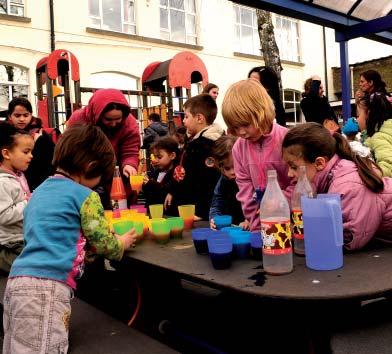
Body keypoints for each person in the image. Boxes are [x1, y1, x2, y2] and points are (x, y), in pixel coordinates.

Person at [3, 124, 137, 354]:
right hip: (48, 287)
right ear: (91, 167)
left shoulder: (39, 191)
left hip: (17, 281)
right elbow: (104, 242)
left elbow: (54, 232)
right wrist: (121, 243)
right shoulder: (86, 196)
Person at [282, 122, 392, 250]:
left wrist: (299, 231)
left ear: (319, 163)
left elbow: (348, 237)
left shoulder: (348, 186)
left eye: (294, 167)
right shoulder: (331, 178)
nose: (289, 174)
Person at [221, 79, 294, 231]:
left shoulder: (287, 140)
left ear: (262, 113)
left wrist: (278, 204)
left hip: (293, 221)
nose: (241, 132)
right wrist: (256, 227)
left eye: (246, 124)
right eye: (235, 127)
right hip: (262, 225)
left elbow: (299, 183)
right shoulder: (238, 148)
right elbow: (245, 192)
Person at [68, 89, 141, 207]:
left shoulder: (129, 124)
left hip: (115, 178)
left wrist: (129, 165)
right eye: (108, 119)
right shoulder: (79, 119)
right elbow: (71, 149)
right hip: (85, 175)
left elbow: (130, 150)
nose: (113, 124)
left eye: (118, 119)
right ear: (98, 114)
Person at [172, 94, 223, 220]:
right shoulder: (198, 142)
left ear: (199, 118)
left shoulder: (203, 146)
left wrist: (201, 211)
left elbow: (207, 182)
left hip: (197, 211)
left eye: (186, 116)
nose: (183, 121)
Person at [0, 123, 33, 273]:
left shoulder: (18, 174)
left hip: (22, 235)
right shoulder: (2, 182)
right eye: (26, 152)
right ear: (6, 154)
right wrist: (29, 202)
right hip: (10, 242)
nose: (31, 156)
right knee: (29, 265)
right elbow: (4, 215)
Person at [7, 97, 55, 191]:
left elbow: (51, 163)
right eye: (17, 115)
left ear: (31, 115)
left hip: (38, 184)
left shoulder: (41, 134)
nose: (22, 119)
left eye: (26, 115)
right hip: (9, 183)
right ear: (10, 116)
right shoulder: (4, 134)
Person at [208, 135, 249, 230]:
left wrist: (250, 219)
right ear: (218, 165)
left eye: (236, 166)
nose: (232, 172)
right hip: (233, 227)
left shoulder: (250, 178)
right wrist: (214, 219)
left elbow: (258, 202)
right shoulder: (223, 180)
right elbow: (217, 203)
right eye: (227, 168)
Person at [356, 92, 392, 176]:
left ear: (368, 114)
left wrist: (369, 176)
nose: (357, 119)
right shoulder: (384, 129)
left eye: (358, 114)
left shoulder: (379, 137)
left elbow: (388, 166)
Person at [143, 136, 180, 216]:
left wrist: (151, 183)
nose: (155, 160)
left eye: (159, 157)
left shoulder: (177, 173)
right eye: (155, 157)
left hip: (168, 215)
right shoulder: (156, 172)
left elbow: (166, 191)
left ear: (172, 156)